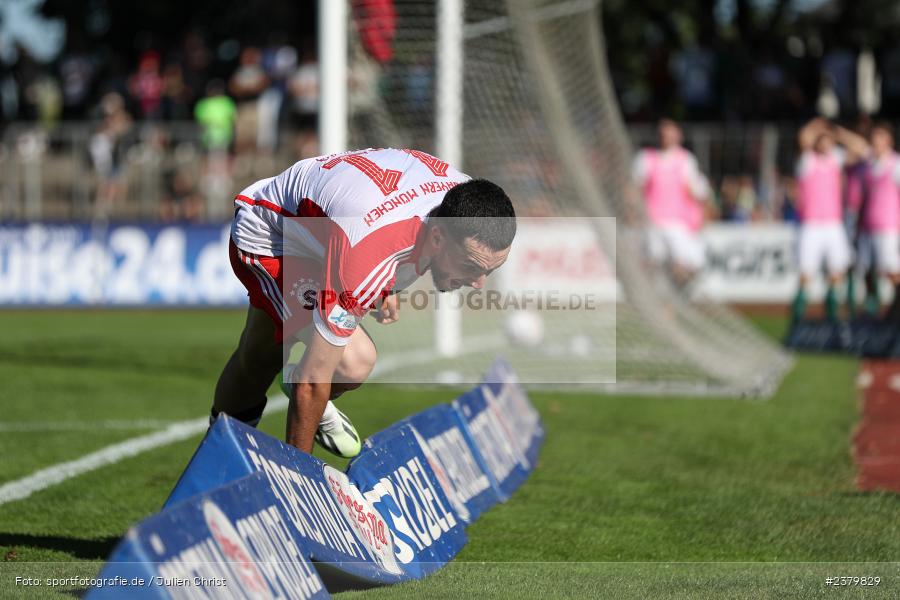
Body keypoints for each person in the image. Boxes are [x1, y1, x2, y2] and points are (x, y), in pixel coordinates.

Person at [213, 148, 516, 457]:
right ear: (437, 239)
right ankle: (223, 456)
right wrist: (298, 476)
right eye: (470, 267)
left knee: (261, 355)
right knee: (348, 361)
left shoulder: (464, 201)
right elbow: (313, 381)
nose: (479, 283)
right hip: (272, 237)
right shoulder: (369, 250)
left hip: (326, 231)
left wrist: (388, 287)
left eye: (490, 270)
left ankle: (220, 452)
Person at [791, 118, 869, 322]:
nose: (826, 145)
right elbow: (803, 138)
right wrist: (817, 124)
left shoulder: (835, 159)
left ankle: (832, 313)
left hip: (833, 223)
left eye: (828, 142)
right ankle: (798, 317)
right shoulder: (807, 161)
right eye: (822, 141)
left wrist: (839, 133)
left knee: (837, 270)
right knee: (806, 272)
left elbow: (862, 149)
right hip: (811, 224)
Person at [632, 118, 711, 285]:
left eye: (670, 133)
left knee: (688, 266)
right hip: (652, 223)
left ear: (678, 135)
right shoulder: (646, 158)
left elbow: (694, 190)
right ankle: (664, 305)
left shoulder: (686, 160)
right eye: (663, 133)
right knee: (656, 269)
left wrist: (701, 208)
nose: (666, 137)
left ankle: (674, 302)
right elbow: (635, 189)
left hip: (678, 224)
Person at [857, 122, 900, 318]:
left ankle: (896, 306)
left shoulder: (895, 163)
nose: (876, 142)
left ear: (888, 141)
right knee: (867, 269)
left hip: (888, 226)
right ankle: (872, 307)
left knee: (891, 269)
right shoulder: (868, 165)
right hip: (868, 225)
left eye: (880, 138)